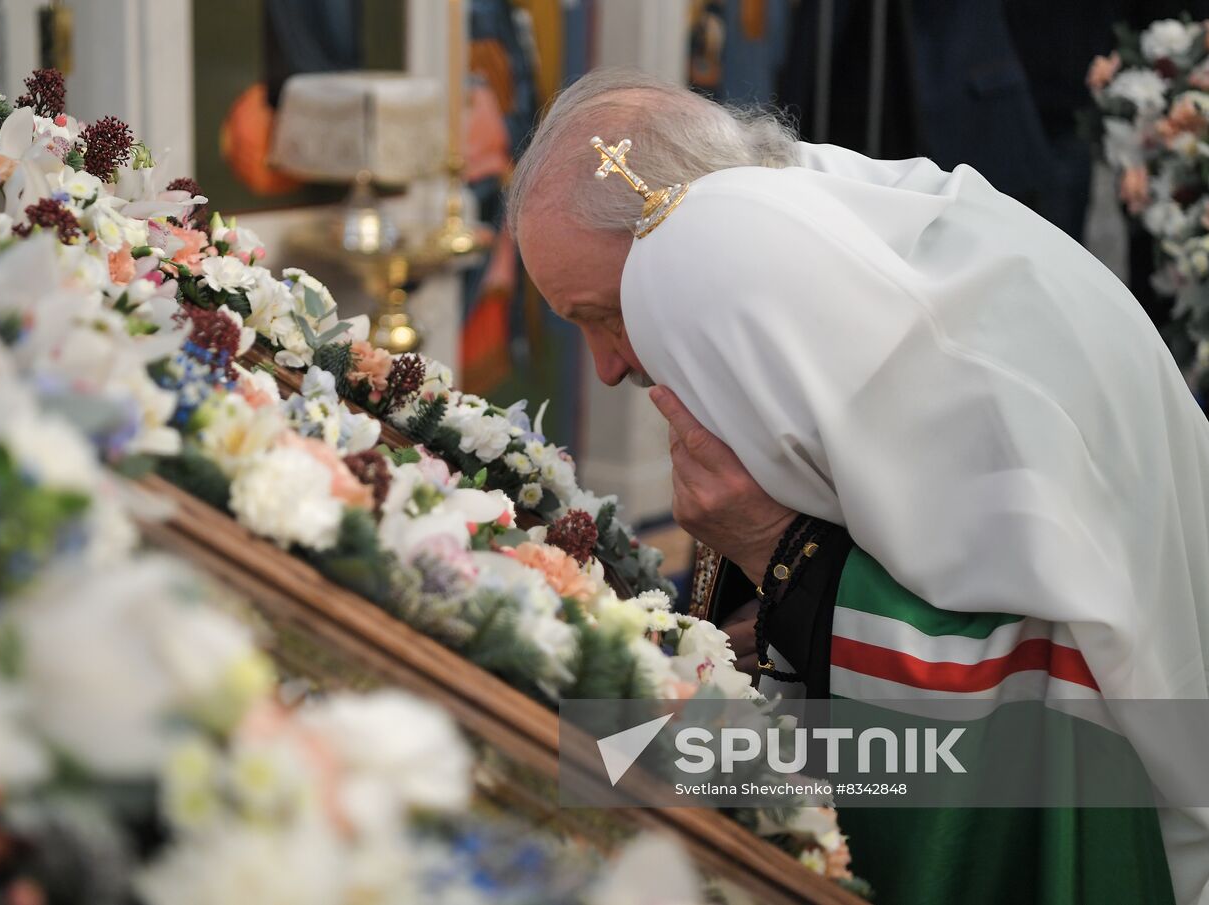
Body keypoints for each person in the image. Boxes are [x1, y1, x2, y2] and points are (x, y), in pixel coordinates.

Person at [507, 68, 1209, 905]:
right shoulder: (835, 247)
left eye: (607, 313)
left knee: (587, 759)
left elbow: (1002, 718)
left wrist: (775, 551)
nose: (610, 364)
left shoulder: (908, 344)